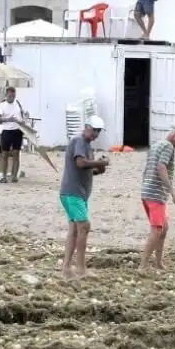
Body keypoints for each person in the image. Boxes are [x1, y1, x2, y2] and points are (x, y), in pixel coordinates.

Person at [59, 116, 109, 279]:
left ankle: (67, 268)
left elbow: (85, 169)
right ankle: (80, 268)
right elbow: (80, 163)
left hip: (74, 192)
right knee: (84, 226)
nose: (95, 134)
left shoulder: (86, 145)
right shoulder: (79, 141)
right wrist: (99, 163)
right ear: (86, 127)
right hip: (74, 193)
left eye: (98, 131)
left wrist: (98, 168)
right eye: (94, 130)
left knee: (74, 230)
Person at [140, 121, 175, 270]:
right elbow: (161, 167)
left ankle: (158, 262)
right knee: (156, 230)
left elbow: (148, 167)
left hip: (147, 191)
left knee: (164, 227)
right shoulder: (168, 147)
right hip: (156, 193)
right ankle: (142, 266)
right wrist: (172, 191)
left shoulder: (156, 144)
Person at [0, 86, 28, 183]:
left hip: (17, 131)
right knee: (4, 154)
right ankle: (4, 176)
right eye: (10, 95)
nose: (11, 97)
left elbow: (25, 114)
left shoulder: (18, 104)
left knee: (16, 154)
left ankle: (14, 176)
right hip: (6, 131)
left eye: (13, 95)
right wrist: (9, 119)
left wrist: (25, 116)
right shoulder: (1, 106)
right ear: (6, 95)